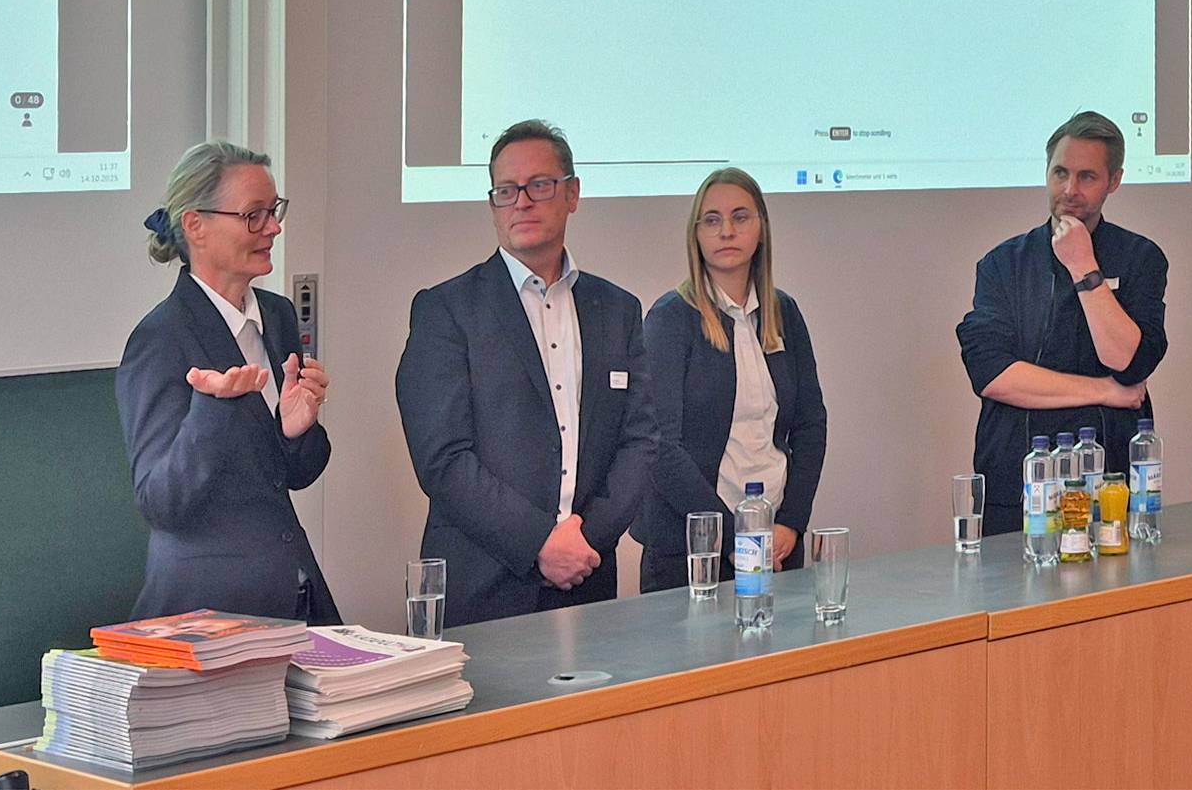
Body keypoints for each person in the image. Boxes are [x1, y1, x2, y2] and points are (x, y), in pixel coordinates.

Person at [395, 120, 657, 626]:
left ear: (572, 194)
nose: (523, 202)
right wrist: (539, 543)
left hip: (587, 579)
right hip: (482, 588)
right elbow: (443, 459)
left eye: (540, 186)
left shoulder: (617, 310)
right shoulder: (446, 310)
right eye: (506, 191)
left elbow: (640, 440)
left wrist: (582, 541)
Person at [115, 140, 340, 624]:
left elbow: (292, 474)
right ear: (196, 225)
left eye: (274, 211)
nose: (273, 228)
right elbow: (161, 504)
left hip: (293, 595)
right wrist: (211, 410)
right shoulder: (160, 339)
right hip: (207, 614)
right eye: (254, 215)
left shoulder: (277, 317)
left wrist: (296, 430)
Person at [956, 111, 1169, 535]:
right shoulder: (1003, 264)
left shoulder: (1141, 259)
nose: (1069, 190)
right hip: (1015, 487)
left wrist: (1084, 268)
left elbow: (1128, 361)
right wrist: (1106, 391)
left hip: (1109, 487)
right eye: (1060, 173)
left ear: (1114, 181)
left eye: (1087, 177)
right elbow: (994, 375)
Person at [632, 168, 827, 592]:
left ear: (761, 229)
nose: (726, 231)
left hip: (776, 542)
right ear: (696, 234)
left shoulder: (783, 313)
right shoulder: (670, 319)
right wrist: (733, 535)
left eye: (740, 217)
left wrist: (790, 523)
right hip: (691, 549)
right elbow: (661, 445)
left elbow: (811, 424)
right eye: (712, 220)